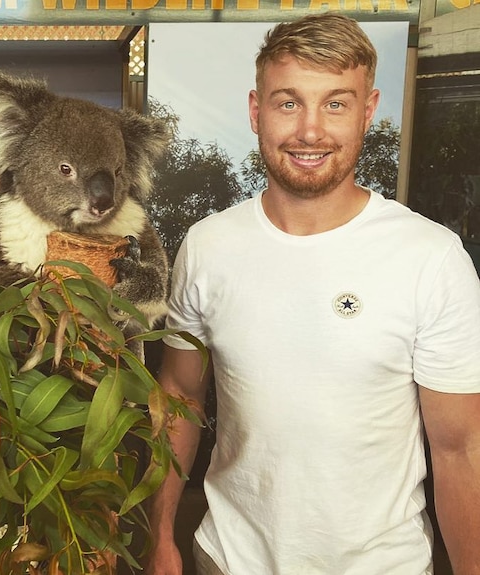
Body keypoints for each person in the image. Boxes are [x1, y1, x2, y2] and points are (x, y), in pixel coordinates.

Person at [147, 13, 480, 575]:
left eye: (335, 103)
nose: (310, 131)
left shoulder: (431, 258)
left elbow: (460, 450)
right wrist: (159, 535)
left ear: (368, 110)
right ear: (256, 110)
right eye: (287, 102)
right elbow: (179, 396)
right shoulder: (207, 247)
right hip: (229, 558)